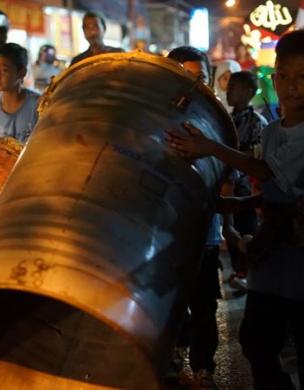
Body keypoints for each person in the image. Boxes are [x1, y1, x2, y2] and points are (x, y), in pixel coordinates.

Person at [166, 30, 304, 389]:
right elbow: (275, 189)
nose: (292, 86)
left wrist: (209, 147)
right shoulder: (274, 131)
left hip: (296, 253)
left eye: (303, 77)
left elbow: (266, 172)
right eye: (285, 76)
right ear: (274, 79)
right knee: (257, 342)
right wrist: (241, 204)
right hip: (271, 256)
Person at [167, 45, 228, 390]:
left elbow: (225, 180)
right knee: (170, 307)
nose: (196, 88)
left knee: (204, 306)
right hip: (165, 236)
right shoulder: (150, 121)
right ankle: (170, 359)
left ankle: (204, 368)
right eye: (186, 79)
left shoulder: (218, 125)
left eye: (201, 79)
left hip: (204, 234)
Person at [225, 71, 268, 290]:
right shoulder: (226, 119)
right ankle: (238, 270)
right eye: (228, 85)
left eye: (235, 86)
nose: (228, 90)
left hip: (245, 189)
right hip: (226, 185)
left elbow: (258, 155)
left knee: (246, 227)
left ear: (249, 92)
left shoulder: (256, 121)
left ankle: (245, 271)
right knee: (230, 228)